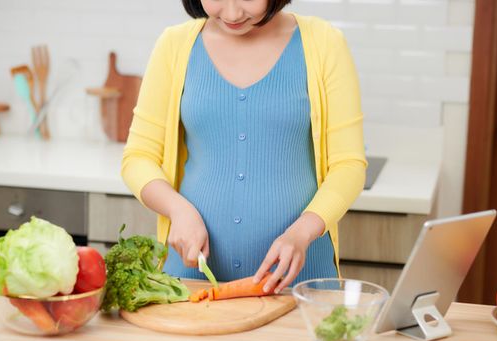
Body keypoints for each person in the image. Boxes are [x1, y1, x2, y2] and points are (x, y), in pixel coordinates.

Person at [121, 0, 367, 295]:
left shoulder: (324, 43)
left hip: (300, 282)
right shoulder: (174, 46)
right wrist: (178, 210)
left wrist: (302, 233)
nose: (233, 13)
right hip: (190, 279)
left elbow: (348, 165)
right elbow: (138, 156)